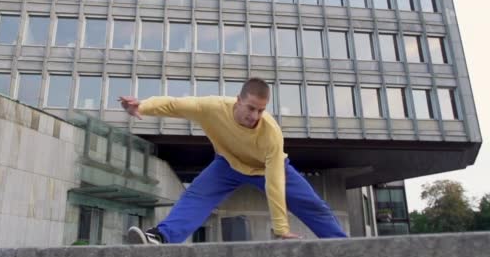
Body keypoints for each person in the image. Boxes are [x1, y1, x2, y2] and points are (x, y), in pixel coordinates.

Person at [120, 78, 347, 244]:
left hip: (267, 169)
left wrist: (281, 228)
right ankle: (160, 237)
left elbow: (275, 182)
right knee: (197, 195)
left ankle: (342, 246)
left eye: (260, 110)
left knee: (313, 206)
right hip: (228, 164)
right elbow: (175, 105)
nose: (254, 116)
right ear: (238, 101)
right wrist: (142, 106)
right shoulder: (212, 108)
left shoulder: (271, 133)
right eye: (250, 108)